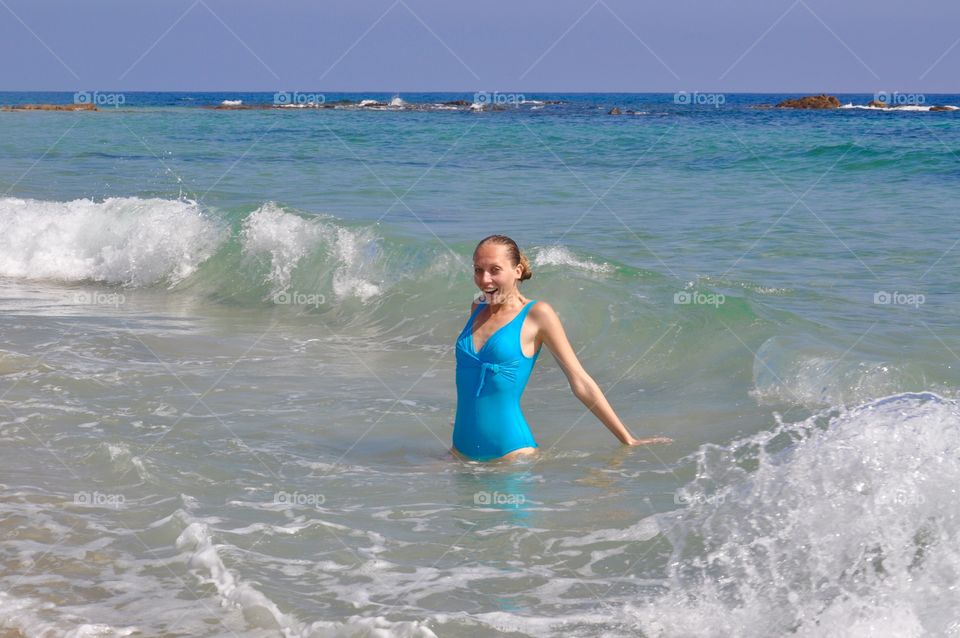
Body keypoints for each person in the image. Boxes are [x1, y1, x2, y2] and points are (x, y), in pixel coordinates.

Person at [452, 234, 672, 462]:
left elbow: (580, 382)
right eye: (478, 270)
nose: (484, 280)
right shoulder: (478, 307)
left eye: (494, 270)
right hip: (460, 453)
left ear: (517, 271)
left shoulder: (538, 314)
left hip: (511, 456)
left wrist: (628, 439)